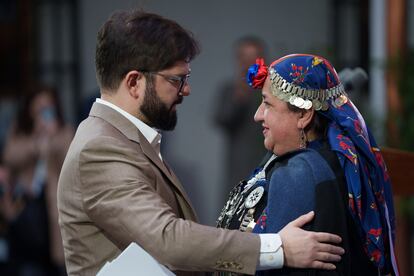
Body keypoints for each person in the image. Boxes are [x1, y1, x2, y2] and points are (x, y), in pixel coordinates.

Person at [57, 11, 345, 276]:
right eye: (177, 79)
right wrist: (279, 247)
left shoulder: (120, 139)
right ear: (134, 83)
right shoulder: (99, 149)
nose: (187, 89)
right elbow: (168, 239)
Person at [216, 54, 399, 275]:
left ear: (303, 114)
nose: (258, 116)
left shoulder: (298, 173)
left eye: (267, 104)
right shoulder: (334, 159)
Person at [2, 85, 73, 275]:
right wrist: (35, 142)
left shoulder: (63, 131)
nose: (43, 110)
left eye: (47, 105)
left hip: (51, 209)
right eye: (39, 105)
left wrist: (50, 139)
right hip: (25, 206)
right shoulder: (21, 131)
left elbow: (70, 160)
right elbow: (9, 156)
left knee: (55, 263)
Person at [212, 36, 266, 194]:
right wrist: (240, 94)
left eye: (253, 57)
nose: (248, 62)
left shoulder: (271, 91)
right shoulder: (229, 90)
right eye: (245, 57)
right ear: (238, 59)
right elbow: (222, 120)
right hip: (239, 168)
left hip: (267, 163)